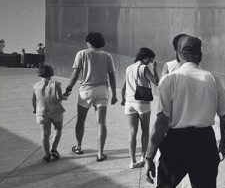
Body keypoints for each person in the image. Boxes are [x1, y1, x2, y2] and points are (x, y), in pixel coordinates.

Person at [145, 35, 225, 188]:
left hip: (176, 143)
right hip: (204, 142)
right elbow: (224, 118)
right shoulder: (213, 78)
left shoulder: (169, 80)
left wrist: (149, 156)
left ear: (177, 55)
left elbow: (162, 122)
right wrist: (222, 146)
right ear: (200, 55)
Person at [148, 33, 197, 188]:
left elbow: (161, 88)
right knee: (191, 165)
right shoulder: (195, 66)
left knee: (164, 161)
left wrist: (154, 72)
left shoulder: (169, 66)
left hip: (170, 120)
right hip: (190, 117)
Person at [64, 32, 118, 161]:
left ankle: (78, 147)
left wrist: (68, 89)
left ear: (89, 42)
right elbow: (112, 76)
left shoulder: (81, 54)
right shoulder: (107, 56)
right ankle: (100, 153)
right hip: (102, 91)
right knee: (101, 123)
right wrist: (115, 94)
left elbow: (75, 74)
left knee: (81, 120)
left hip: (86, 91)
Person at [121, 47, 159, 169]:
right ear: (146, 57)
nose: (150, 62)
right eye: (151, 60)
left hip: (129, 103)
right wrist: (155, 70)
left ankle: (132, 161)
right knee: (145, 130)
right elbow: (156, 82)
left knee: (132, 132)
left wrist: (123, 99)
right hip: (142, 102)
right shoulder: (144, 67)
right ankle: (143, 157)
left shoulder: (128, 68)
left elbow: (123, 87)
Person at [32, 65, 67, 162]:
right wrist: (65, 96)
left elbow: (34, 99)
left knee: (45, 134)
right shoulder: (56, 83)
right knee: (58, 128)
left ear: (39, 74)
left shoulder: (35, 86)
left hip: (42, 112)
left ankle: (46, 154)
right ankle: (54, 149)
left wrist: (35, 109)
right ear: (51, 73)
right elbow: (59, 97)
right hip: (56, 111)